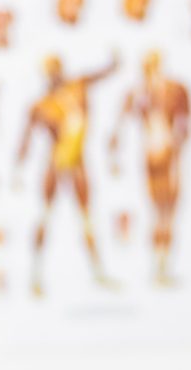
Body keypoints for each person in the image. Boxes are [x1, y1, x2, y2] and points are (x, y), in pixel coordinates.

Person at [14, 51, 121, 295]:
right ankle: (35, 275)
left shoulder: (77, 87)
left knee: (86, 218)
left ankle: (98, 272)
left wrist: (114, 62)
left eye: (56, 69)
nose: (54, 75)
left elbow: (101, 74)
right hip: (56, 161)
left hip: (77, 161)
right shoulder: (41, 106)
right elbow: (25, 140)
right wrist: (18, 171)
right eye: (49, 71)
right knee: (45, 215)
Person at [108, 49, 191, 286]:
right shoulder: (139, 93)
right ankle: (159, 268)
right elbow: (120, 124)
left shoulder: (175, 90)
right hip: (154, 155)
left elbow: (184, 123)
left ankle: (162, 266)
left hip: (167, 152)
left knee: (168, 212)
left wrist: (176, 144)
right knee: (160, 213)